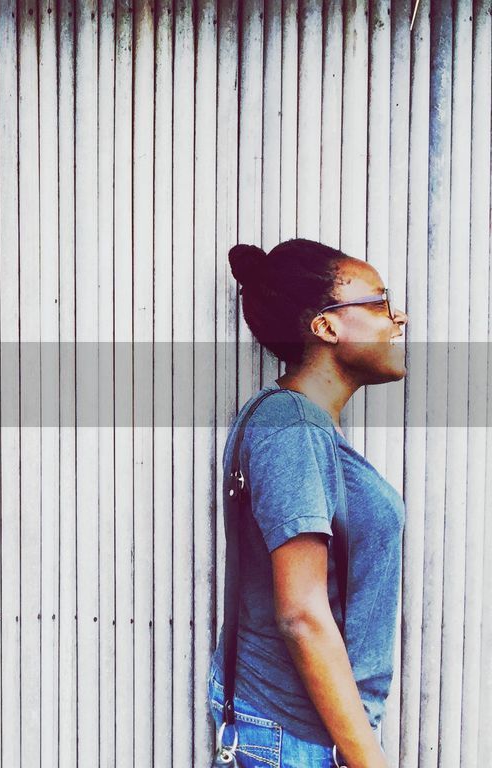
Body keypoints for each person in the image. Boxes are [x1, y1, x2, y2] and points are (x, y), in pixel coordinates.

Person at [208, 238, 409, 768]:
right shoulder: (290, 425)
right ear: (326, 326)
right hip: (292, 739)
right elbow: (300, 613)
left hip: (309, 736)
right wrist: (368, 759)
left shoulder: (308, 429)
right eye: (380, 302)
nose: (399, 317)